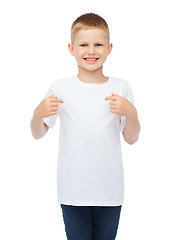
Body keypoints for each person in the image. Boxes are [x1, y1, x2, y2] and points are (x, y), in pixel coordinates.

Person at [30, 12, 141, 240]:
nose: (91, 51)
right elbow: (38, 133)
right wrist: (37, 113)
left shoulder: (121, 88)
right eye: (84, 45)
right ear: (72, 49)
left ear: (109, 48)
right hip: (73, 191)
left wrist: (131, 113)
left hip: (109, 191)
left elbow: (131, 138)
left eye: (98, 44)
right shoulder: (60, 88)